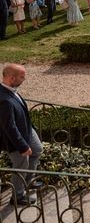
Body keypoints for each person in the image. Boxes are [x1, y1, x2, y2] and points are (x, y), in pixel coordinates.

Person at [0, 64, 43, 206]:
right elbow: (9, 127)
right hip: (15, 140)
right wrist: (23, 146)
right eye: (22, 76)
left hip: (27, 131)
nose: (24, 79)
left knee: (37, 150)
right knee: (20, 165)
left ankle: (28, 181)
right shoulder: (4, 100)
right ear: (12, 78)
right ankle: (17, 196)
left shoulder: (10, 89)